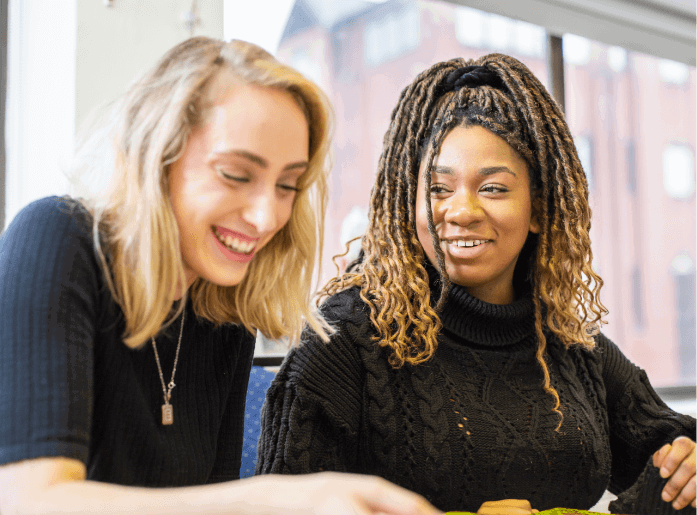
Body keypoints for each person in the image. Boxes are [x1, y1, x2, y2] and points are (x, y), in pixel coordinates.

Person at [0, 37, 442, 515]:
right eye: (236, 174)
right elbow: (31, 501)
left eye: (287, 185)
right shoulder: (55, 237)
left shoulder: (225, 312)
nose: (266, 216)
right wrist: (276, 497)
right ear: (157, 154)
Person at [256, 53, 697, 513]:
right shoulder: (343, 341)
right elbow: (278, 505)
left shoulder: (571, 343)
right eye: (438, 189)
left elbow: (671, 446)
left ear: (540, 211)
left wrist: (688, 462)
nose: (460, 211)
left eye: (492, 188)